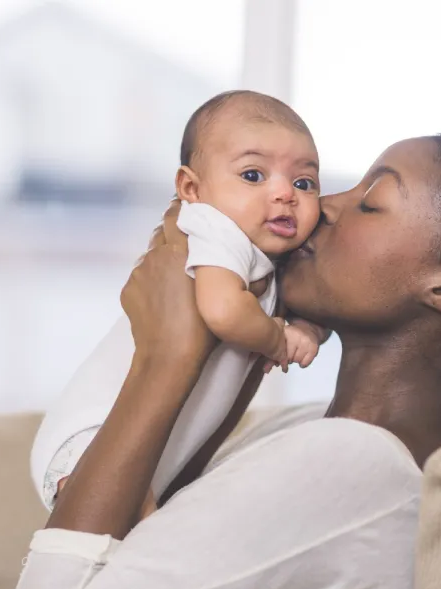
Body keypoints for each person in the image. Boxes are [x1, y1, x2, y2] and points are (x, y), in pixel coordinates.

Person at [15, 112, 441, 589]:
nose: (321, 204)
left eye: (370, 201)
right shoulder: (326, 436)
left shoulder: (353, 463)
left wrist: (165, 358)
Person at [31, 90, 329, 504]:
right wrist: (280, 338)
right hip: (93, 437)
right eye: (253, 175)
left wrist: (310, 328)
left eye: (303, 182)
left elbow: (316, 304)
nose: (285, 194)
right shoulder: (214, 229)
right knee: (139, 552)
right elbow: (224, 311)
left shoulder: (263, 255)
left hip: (148, 450)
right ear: (191, 188)